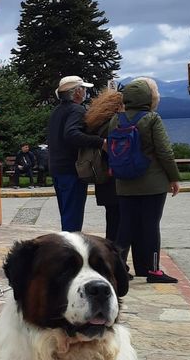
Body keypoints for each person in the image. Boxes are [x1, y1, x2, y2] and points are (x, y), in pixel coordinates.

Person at [109, 78, 180, 283]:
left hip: (124, 183)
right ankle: (153, 270)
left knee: (125, 227)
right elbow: (165, 151)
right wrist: (174, 177)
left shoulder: (116, 120)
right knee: (151, 226)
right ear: (148, 98)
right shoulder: (152, 118)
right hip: (152, 183)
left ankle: (118, 268)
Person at [47, 75, 104, 232]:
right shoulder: (77, 110)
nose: (85, 92)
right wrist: (100, 142)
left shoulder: (56, 111)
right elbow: (71, 134)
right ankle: (70, 251)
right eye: (84, 89)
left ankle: (66, 247)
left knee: (66, 213)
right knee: (73, 217)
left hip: (57, 168)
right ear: (77, 92)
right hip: (72, 169)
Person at [84, 89, 124, 242]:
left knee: (112, 221)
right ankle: (116, 260)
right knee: (118, 224)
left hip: (104, 180)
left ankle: (112, 256)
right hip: (113, 180)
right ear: (117, 107)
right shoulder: (113, 125)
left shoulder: (97, 124)